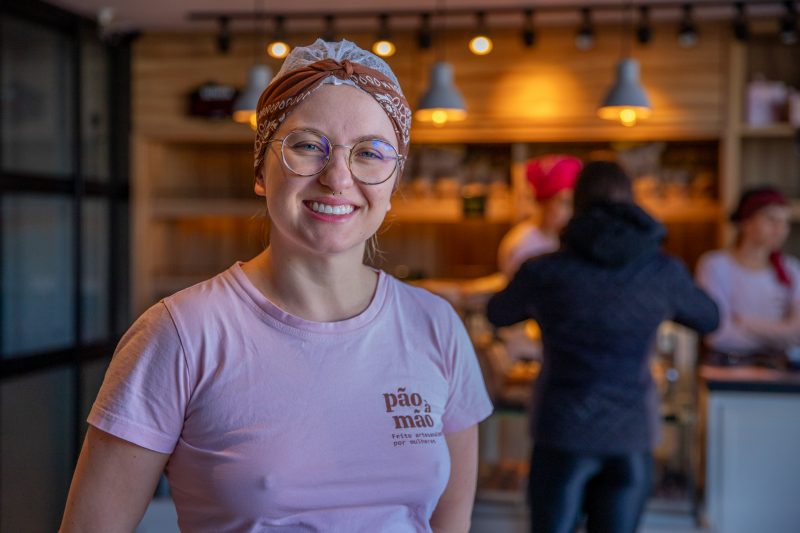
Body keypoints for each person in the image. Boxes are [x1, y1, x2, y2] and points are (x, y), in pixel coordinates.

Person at [60, 39, 493, 533]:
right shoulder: (180, 334)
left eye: (369, 153)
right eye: (308, 146)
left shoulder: (435, 326)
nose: (337, 177)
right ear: (261, 169)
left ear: (394, 183)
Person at [486, 161, 719, 533]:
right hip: (630, 434)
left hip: (562, 430)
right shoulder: (662, 271)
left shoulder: (545, 270)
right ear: (631, 202)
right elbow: (709, 318)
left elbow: (498, 312)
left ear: (575, 205)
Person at [697, 186, 800, 359]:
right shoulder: (716, 265)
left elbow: (798, 333)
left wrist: (744, 321)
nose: (780, 229)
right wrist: (782, 334)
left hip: (781, 372)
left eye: (785, 222)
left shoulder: (792, 269)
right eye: (771, 219)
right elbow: (718, 334)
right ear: (746, 222)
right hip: (728, 367)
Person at [496, 155, 582, 279]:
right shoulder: (523, 245)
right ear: (543, 203)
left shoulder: (569, 239)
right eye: (564, 202)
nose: (571, 211)